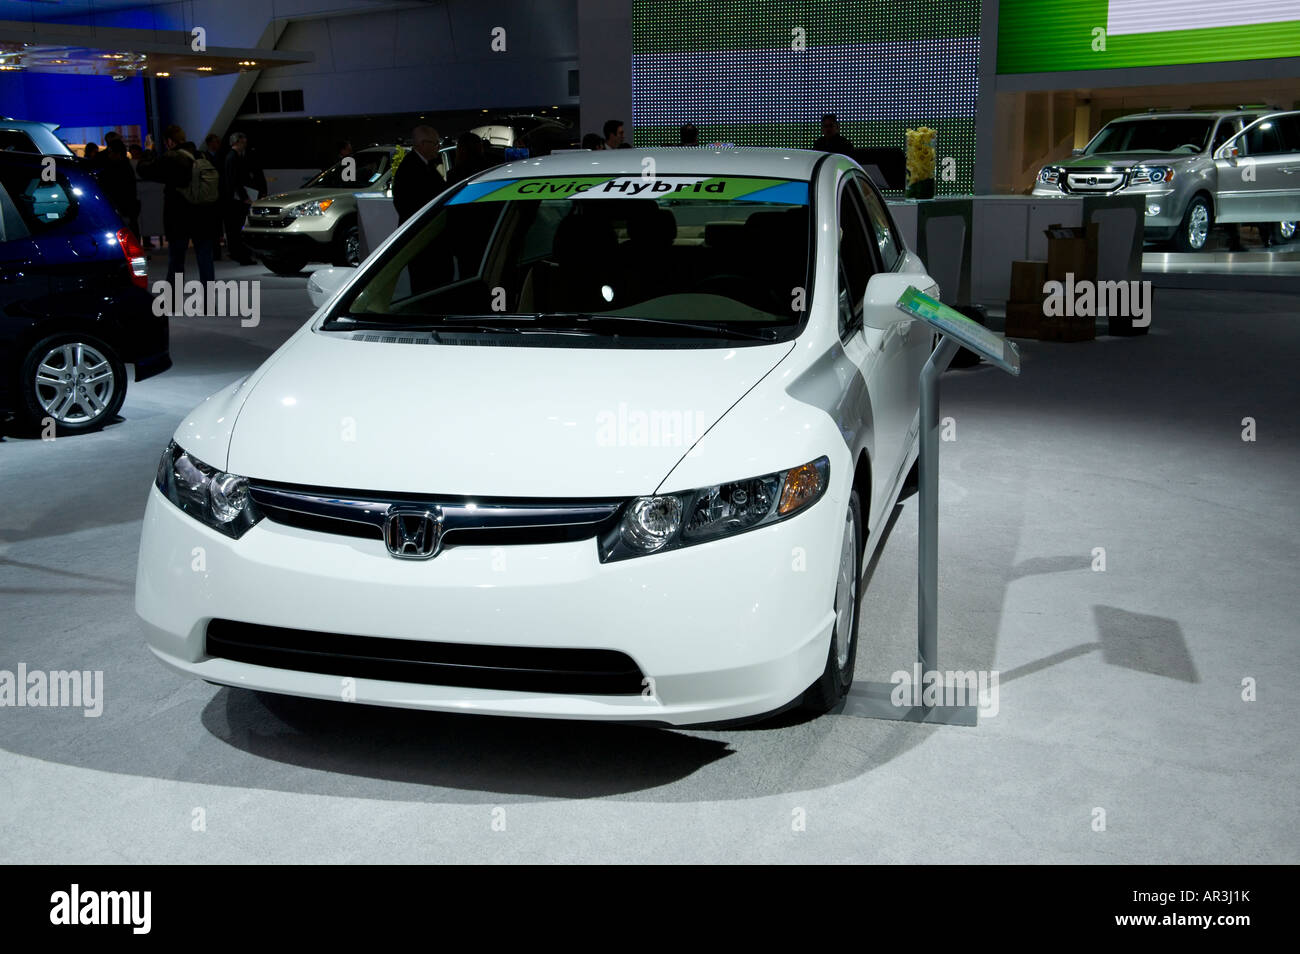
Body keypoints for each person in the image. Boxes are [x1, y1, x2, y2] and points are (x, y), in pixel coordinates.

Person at [136, 124, 221, 284]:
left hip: (178, 218)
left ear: (169, 141)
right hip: (203, 216)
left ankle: (173, 300)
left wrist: (148, 150)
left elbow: (144, 170)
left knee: (176, 261)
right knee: (205, 260)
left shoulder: (172, 158)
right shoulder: (201, 155)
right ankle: (209, 302)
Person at [391, 125, 445, 224]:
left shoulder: (425, 163)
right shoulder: (410, 167)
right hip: (419, 227)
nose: (439, 147)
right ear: (423, 144)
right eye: (436, 143)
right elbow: (406, 203)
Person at [222, 132, 257, 265]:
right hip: (236, 200)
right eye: (243, 142)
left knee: (235, 228)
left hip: (234, 199)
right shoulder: (234, 157)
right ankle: (242, 255)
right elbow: (236, 180)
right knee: (238, 228)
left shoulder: (232, 157)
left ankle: (238, 254)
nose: (245, 145)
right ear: (236, 142)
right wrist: (244, 197)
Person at [97, 139, 140, 240]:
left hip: (122, 207)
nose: (109, 155)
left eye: (111, 152)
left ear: (118, 153)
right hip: (128, 207)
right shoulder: (126, 166)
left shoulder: (115, 169)